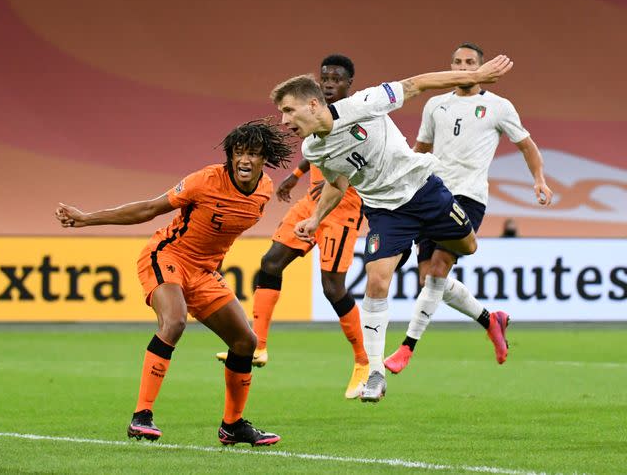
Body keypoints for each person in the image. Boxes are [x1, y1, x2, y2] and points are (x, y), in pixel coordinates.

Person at [270, 54, 513, 401]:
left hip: (423, 190)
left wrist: (476, 75)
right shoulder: (314, 148)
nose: (285, 120)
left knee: (468, 248)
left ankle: (490, 317)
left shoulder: (362, 104)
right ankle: (374, 373)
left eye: (289, 111)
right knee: (377, 279)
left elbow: (416, 83)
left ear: (312, 105)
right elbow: (338, 184)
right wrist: (315, 218)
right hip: (385, 212)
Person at [55, 120, 293, 446]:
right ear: (230, 156)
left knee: (245, 343)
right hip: (167, 256)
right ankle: (142, 416)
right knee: (175, 321)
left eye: (253, 153)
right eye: (239, 152)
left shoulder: (264, 190)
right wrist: (86, 218)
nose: (245, 160)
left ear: (264, 157)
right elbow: (150, 208)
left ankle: (233, 426)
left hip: (203, 272)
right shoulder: (205, 180)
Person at [384, 43, 552, 374]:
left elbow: (527, 145)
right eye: (458, 62)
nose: (464, 67)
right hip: (430, 193)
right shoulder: (435, 105)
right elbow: (422, 147)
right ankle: (492, 320)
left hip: (468, 197)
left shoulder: (498, 107)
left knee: (439, 269)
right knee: (429, 281)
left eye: (471, 62)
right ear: (450, 66)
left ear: (482, 67)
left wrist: (539, 179)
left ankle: (407, 347)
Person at [217, 55, 370, 399]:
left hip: (343, 208)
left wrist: (339, 184)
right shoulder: (315, 114)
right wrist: (295, 176)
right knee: (270, 263)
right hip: (311, 202)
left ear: (349, 85)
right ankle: (258, 345)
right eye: (325, 77)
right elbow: (314, 148)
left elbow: (356, 160)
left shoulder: (356, 116)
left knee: (333, 287)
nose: (330, 83)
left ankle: (363, 362)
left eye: (337, 79)